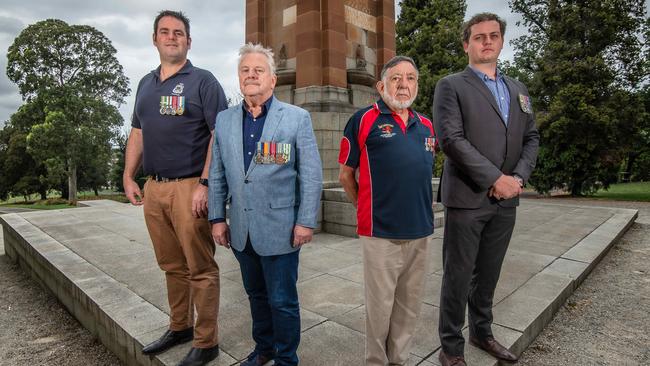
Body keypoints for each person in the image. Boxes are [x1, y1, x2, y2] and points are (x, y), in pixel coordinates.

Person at [433, 12, 539, 366]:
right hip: (467, 198)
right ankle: (451, 348)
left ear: (502, 41)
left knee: (489, 272)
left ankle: (482, 331)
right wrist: (495, 178)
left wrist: (517, 179)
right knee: (458, 276)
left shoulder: (518, 89)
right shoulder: (452, 85)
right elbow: (451, 139)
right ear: (467, 44)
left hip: (507, 200)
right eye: (479, 37)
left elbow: (531, 138)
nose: (487, 42)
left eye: (494, 36)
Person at [207, 43, 322, 366]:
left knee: (283, 301)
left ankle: (286, 358)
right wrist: (218, 217)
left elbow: (310, 176)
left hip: (282, 231)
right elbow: (217, 174)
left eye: (259, 70)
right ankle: (264, 350)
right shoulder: (225, 120)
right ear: (239, 78)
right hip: (242, 232)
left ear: (273, 80)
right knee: (256, 297)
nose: (251, 75)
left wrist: (306, 221)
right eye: (245, 70)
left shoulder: (296, 119)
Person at [123, 10, 227, 366]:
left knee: (200, 267)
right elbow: (137, 132)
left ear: (188, 41)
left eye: (178, 32)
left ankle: (206, 341)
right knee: (171, 265)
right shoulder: (145, 84)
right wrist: (128, 175)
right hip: (155, 189)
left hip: (189, 188)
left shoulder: (203, 81)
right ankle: (180, 326)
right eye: (165, 32)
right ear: (155, 39)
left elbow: (220, 135)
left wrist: (205, 183)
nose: (172, 37)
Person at [338, 55, 436, 366]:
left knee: (408, 306)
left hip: (420, 230)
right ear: (382, 85)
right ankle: (376, 362)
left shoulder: (427, 126)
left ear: (417, 85)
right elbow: (345, 175)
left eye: (410, 78)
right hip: (380, 232)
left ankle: (399, 359)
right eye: (396, 78)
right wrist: (365, 207)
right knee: (379, 307)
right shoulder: (363, 120)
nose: (403, 85)